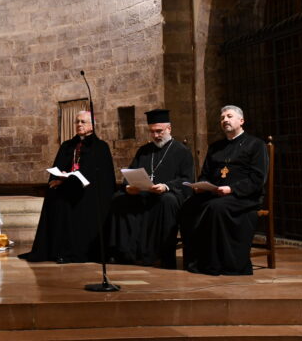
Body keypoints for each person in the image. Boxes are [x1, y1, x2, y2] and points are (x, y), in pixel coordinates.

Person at [180, 105, 268, 275]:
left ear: (241, 121)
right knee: (188, 207)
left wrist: (231, 189)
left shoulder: (256, 144)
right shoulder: (216, 147)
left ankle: (220, 263)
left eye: (229, 116)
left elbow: (258, 178)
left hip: (244, 196)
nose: (225, 120)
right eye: (222, 118)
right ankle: (197, 261)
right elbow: (205, 174)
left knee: (216, 208)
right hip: (216, 194)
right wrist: (201, 186)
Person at [19, 111, 116, 263]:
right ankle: (58, 249)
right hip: (67, 188)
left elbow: (102, 177)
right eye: (77, 121)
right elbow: (59, 167)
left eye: (83, 122)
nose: (79, 124)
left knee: (82, 201)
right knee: (54, 196)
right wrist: (60, 178)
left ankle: (78, 250)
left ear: (92, 125)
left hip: (89, 191)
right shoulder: (67, 145)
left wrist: (75, 178)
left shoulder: (100, 147)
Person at [108, 109, 194, 268]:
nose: (155, 135)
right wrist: (129, 187)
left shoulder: (182, 151)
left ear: (169, 129)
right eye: (152, 132)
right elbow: (131, 172)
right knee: (118, 199)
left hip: (167, 196)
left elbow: (187, 180)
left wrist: (166, 186)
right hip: (143, 194)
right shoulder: (144, 151)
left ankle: (160, 255)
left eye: (159, 131)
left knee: (165, 201)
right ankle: (124, 253)